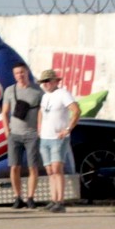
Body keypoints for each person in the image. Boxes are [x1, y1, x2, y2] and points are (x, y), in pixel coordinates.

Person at [1, 63, 44, 210]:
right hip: (15, 134)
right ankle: (17, 197)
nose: (20, 75)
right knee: (14, 167)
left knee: (33, 167)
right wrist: (7, 131)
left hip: (31, 134)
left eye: (22, 72)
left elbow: (42, 111)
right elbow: (5, 112)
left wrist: (39, 130)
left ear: (27, 73)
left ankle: (31, 197)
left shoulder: (37, 91)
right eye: (17, 73)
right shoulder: (10, 90)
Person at [37, 69, 79, 213]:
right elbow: (41, 112)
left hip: (58, 138)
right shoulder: (45, 97)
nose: (46, 84)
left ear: (56, 81)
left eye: (48, 81)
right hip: (45, 137)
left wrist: (68, 128)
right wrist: (39, 128)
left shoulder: (63, 94)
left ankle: (60, 201)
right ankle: (53, 198)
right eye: (44, 82)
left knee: (57, 168)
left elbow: (76, 110)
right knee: (49, 170)